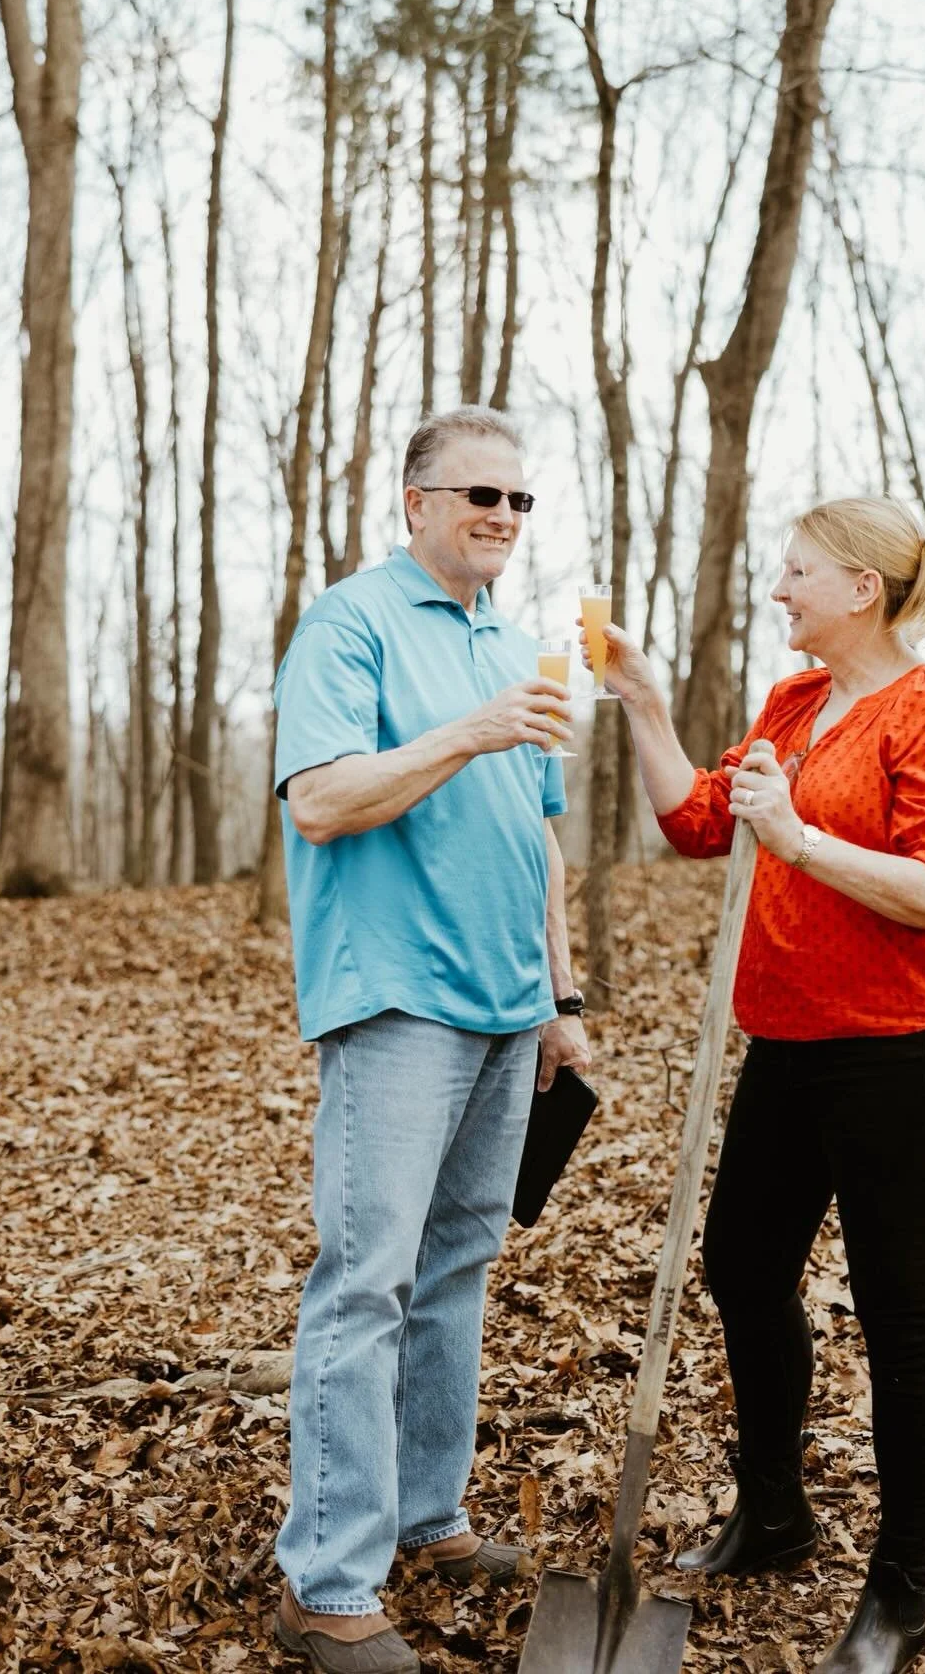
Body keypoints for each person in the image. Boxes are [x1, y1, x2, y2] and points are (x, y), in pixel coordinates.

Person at [587, 497, 925, 1674]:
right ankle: (773, 1513)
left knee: (900, 1317)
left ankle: (898, 1594)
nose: (779, 587)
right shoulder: (796, 705)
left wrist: (805, 841)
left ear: (861, 590)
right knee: (744, 1271)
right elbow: (700, 824)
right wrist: (646, 703)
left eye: (798, 571)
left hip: (904, 1051)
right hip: (789, 1042)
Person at [269, 406, 592, 1674]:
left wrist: (564, 1000)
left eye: (519, 503)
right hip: (397, 1001)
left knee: (457, 1270)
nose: (502, 519)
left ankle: (427, 1516)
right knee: (367, 1285)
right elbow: (323, 800)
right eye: (478, 496)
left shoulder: (514, 643)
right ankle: (327, 1586)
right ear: (415, 503)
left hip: (511, 1012)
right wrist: (466, 731)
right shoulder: (349, 624)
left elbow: (542, 841)